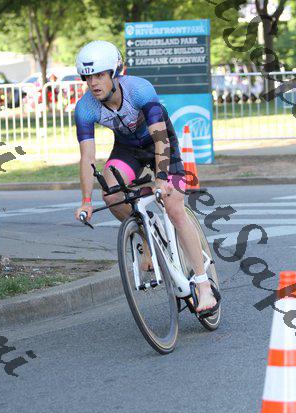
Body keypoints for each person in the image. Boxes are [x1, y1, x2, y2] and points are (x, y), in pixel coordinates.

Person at [74, 40, 219, 317]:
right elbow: (87, 157)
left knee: (174, 207)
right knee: (112, 193)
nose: (93, 83)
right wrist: (85, 200)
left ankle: (203, 285)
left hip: (159, 142)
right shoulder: (85, 108)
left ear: (115, 73)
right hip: (128, 149)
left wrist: (162, 178)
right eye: (88, 77)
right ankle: (147, 235)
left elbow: (160, 138)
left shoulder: (139, 89)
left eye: (100, 75)